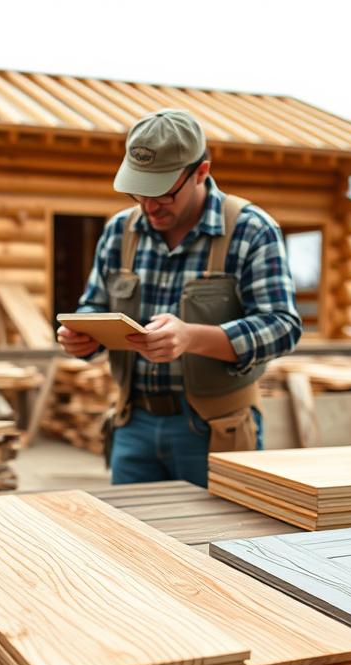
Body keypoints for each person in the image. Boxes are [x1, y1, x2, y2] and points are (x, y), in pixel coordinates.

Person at [57, 109, 302, 487]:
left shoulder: (252, 230)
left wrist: (192, 338)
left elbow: (282, 326)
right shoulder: (118, 232)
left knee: (217, 542)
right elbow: (95, 304)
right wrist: (83, 335)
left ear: (201, 172)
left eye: (164, 192)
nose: (150, 205)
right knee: (128, 543)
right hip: (132, 425)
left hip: (216, 431)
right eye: (139, 191)